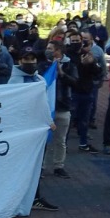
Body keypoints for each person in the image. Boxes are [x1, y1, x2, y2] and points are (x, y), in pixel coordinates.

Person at [8, 46, 58, 211]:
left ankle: (35, 196)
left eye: (32, 59)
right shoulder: (13, 82)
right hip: (21, 131)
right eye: (26, 59)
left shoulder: (40, 80)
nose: (30, 62)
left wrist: (48, 121)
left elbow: (44, 104)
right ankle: (15, 196)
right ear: (20, 61)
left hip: (38, 131)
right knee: (20, 166)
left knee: (36, 165)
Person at [39, 40, 78, 179]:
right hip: (46, 109)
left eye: (51, 48)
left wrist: (62, 73)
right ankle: (41, 166)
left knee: (60, 140)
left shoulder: (69, 65)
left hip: (63, 107)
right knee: (44, 140)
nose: (47, 51)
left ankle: (58, 166)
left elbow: (75, 82)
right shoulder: (43, 65)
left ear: (59, 51)